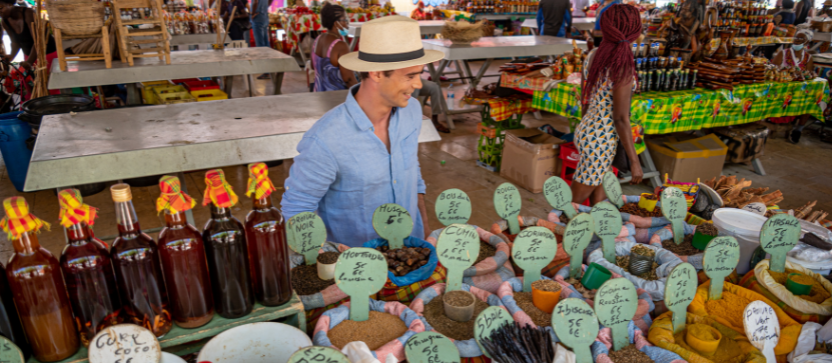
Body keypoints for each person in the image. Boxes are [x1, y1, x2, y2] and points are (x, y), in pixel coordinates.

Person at [281, 16, 444, 247]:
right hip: (358, 270)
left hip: (412, 251)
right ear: (376, 73)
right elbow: (297, 209)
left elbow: (412, 175)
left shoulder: (412, 112)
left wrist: (424, 231)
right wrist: (328, 261)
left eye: (419, 74)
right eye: (410, 76)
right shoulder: (326, 139)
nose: (419, 84)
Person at [573, 4, 643, 205]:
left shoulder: (595, 54)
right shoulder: (622, 67)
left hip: (589, 130)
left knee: (599, 199)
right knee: (571, 207)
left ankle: (596, 231)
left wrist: (587, 127)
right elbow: (621, 119)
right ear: (633, 30)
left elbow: (585, 98)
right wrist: (635, 162)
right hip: (600, 139)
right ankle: (556, 230)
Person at [771, 28, 815, 144]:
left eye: (802, 38)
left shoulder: (808, 58)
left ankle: (798, 129)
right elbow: (772, 69)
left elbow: (808, 75)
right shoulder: (784, 53)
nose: (797, 40)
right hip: (783, 88)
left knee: (811, 100)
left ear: (807, 42)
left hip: (799, 89)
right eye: (797, 37)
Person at [0, 0, 57, 72]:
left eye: (1, 8)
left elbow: (38, 41)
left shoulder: (28, 13)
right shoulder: (4, 21)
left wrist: (29, 61)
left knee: (50, 80)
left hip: (47, 55)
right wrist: (11, 56)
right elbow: (15, 42)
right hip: (29, 55)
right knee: (33, 80)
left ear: (10, 4)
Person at [312, 3, 357, 91]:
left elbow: (312, 65)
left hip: (318, 94)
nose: (347, 24)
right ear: (336, 23)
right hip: (336, 98)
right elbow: (349, 79)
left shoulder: (318, 39)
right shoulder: (340, 46)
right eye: (345, 20)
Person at [250, 0, 271, 79]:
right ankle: (269, 70)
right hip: (264, 17)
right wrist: (265, 7)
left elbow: (255, 2)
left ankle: (266, 71)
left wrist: (253, 13)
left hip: (258, 18)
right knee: (266, 45)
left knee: (261, 46)